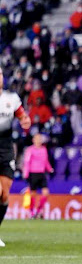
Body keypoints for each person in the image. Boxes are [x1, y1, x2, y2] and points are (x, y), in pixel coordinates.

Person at [0, 67, 31, 246]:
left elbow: (23, 118)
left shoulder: (11, 99)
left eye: (1, 75)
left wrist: (25, 121)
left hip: (6, 150)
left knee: (4, 196)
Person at [22, 133, 53, 219]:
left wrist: (50, 169)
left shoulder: (44, 149)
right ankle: (32, 212)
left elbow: (46, 161)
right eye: (37, 139)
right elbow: (27, 162)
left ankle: (39, 210)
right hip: (33, 173)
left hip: (42, 173)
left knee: (46, 193)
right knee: (33, 194)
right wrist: (26, 174)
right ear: (33, 140)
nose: (39, 140)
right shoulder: (30, 150)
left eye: (40, 139)